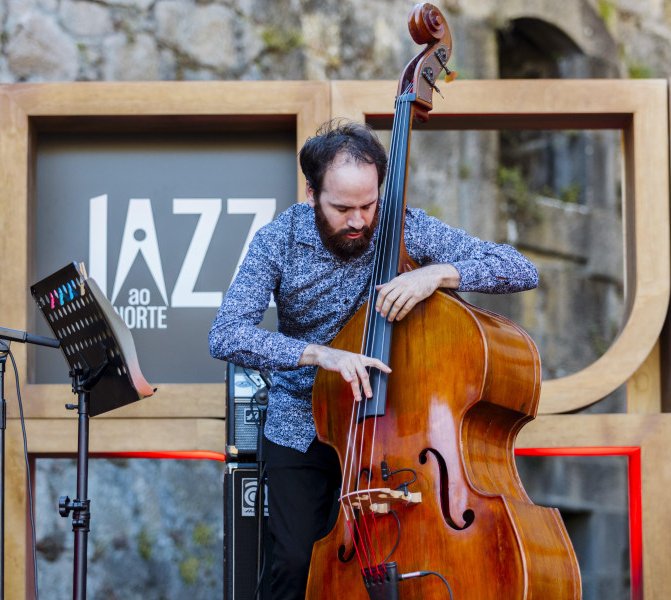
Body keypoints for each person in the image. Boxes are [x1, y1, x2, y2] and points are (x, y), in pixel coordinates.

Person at [209, 120, 538, 599]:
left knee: (395, 564)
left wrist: (439, 274)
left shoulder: (404, 225)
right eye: (342, 208)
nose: (360, 220)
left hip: (393, 431)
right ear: (311, 193)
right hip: (303, 422)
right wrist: (316, 354)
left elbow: (518, 268)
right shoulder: (277, 240)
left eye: (369, 204)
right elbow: (226, 334)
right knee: (295, 563)